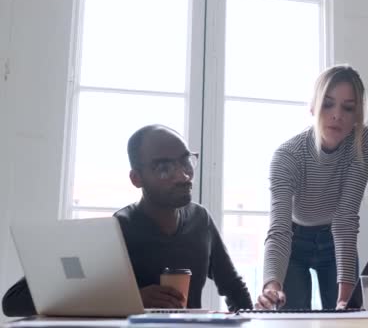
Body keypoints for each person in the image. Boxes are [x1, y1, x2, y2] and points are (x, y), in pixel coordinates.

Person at [3, 125, 253, 316]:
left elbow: (234, 289)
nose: (183, 175)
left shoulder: (200, 220)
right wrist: (132, 301)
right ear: (136, 179)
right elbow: (14, 302)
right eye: (164, 168)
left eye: (186, 161)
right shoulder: (116, 229)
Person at [256, 65, 368, 310]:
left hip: (335, 240)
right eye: (328, 104)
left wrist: (344, 299)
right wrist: (271, 287)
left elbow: (345, 218)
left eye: (348, 108)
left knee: (347, 318)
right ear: (313, 107)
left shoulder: (363, 141)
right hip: (294, 241)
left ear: (358, 115)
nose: (337, 115)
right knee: (291, 317)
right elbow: (279, 229)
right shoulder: (287, 156)